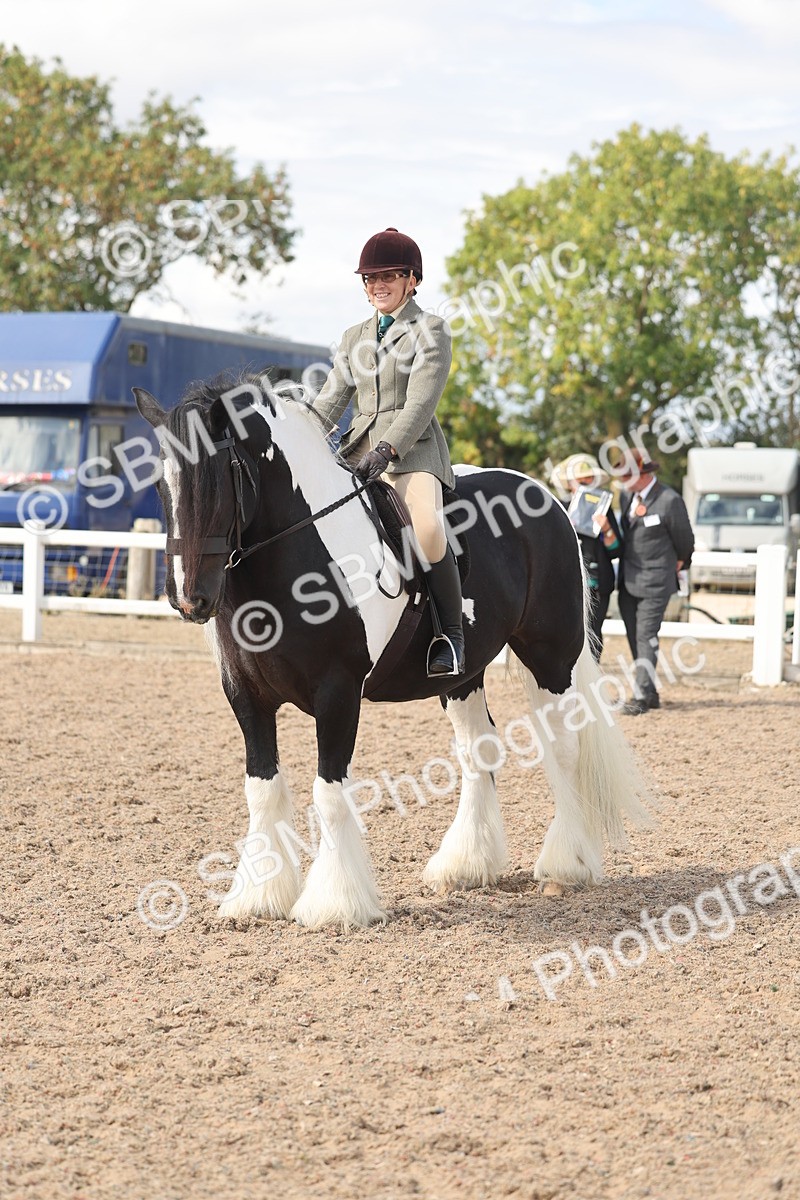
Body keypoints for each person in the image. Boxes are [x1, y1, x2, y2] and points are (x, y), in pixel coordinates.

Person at [312, 227, 464, 675]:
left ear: (412, 280)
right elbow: (330, 401)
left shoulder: (429, 330)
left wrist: (387, 448)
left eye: (389, 276)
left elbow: (420, 402)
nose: (377, 285)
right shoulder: (353, 336)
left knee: (429, 529)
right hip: (356, 455)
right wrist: (300, 436)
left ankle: (449, 635)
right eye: (370, 278)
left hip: (411, 454)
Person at [617, 449, 694, 715]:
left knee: (646, 636)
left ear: (643, 474)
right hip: (628, 579)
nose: (622, 481)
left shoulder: (670, 500)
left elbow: (685, 539)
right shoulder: (627, 496)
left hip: (656, 580)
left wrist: (682, 561)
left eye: (627, 475)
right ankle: (650, 692)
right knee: (634, 637)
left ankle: (639, 697)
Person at [559, 454, 621, 660]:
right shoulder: (559, 507)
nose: (585, 483)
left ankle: (591, 675)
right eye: (580, 480)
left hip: (597, 583)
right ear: (570, 484)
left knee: (593, 632)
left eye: (589, 479)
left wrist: (607, 529)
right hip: (566, 582)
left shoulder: (605, 508)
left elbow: (616, 550)